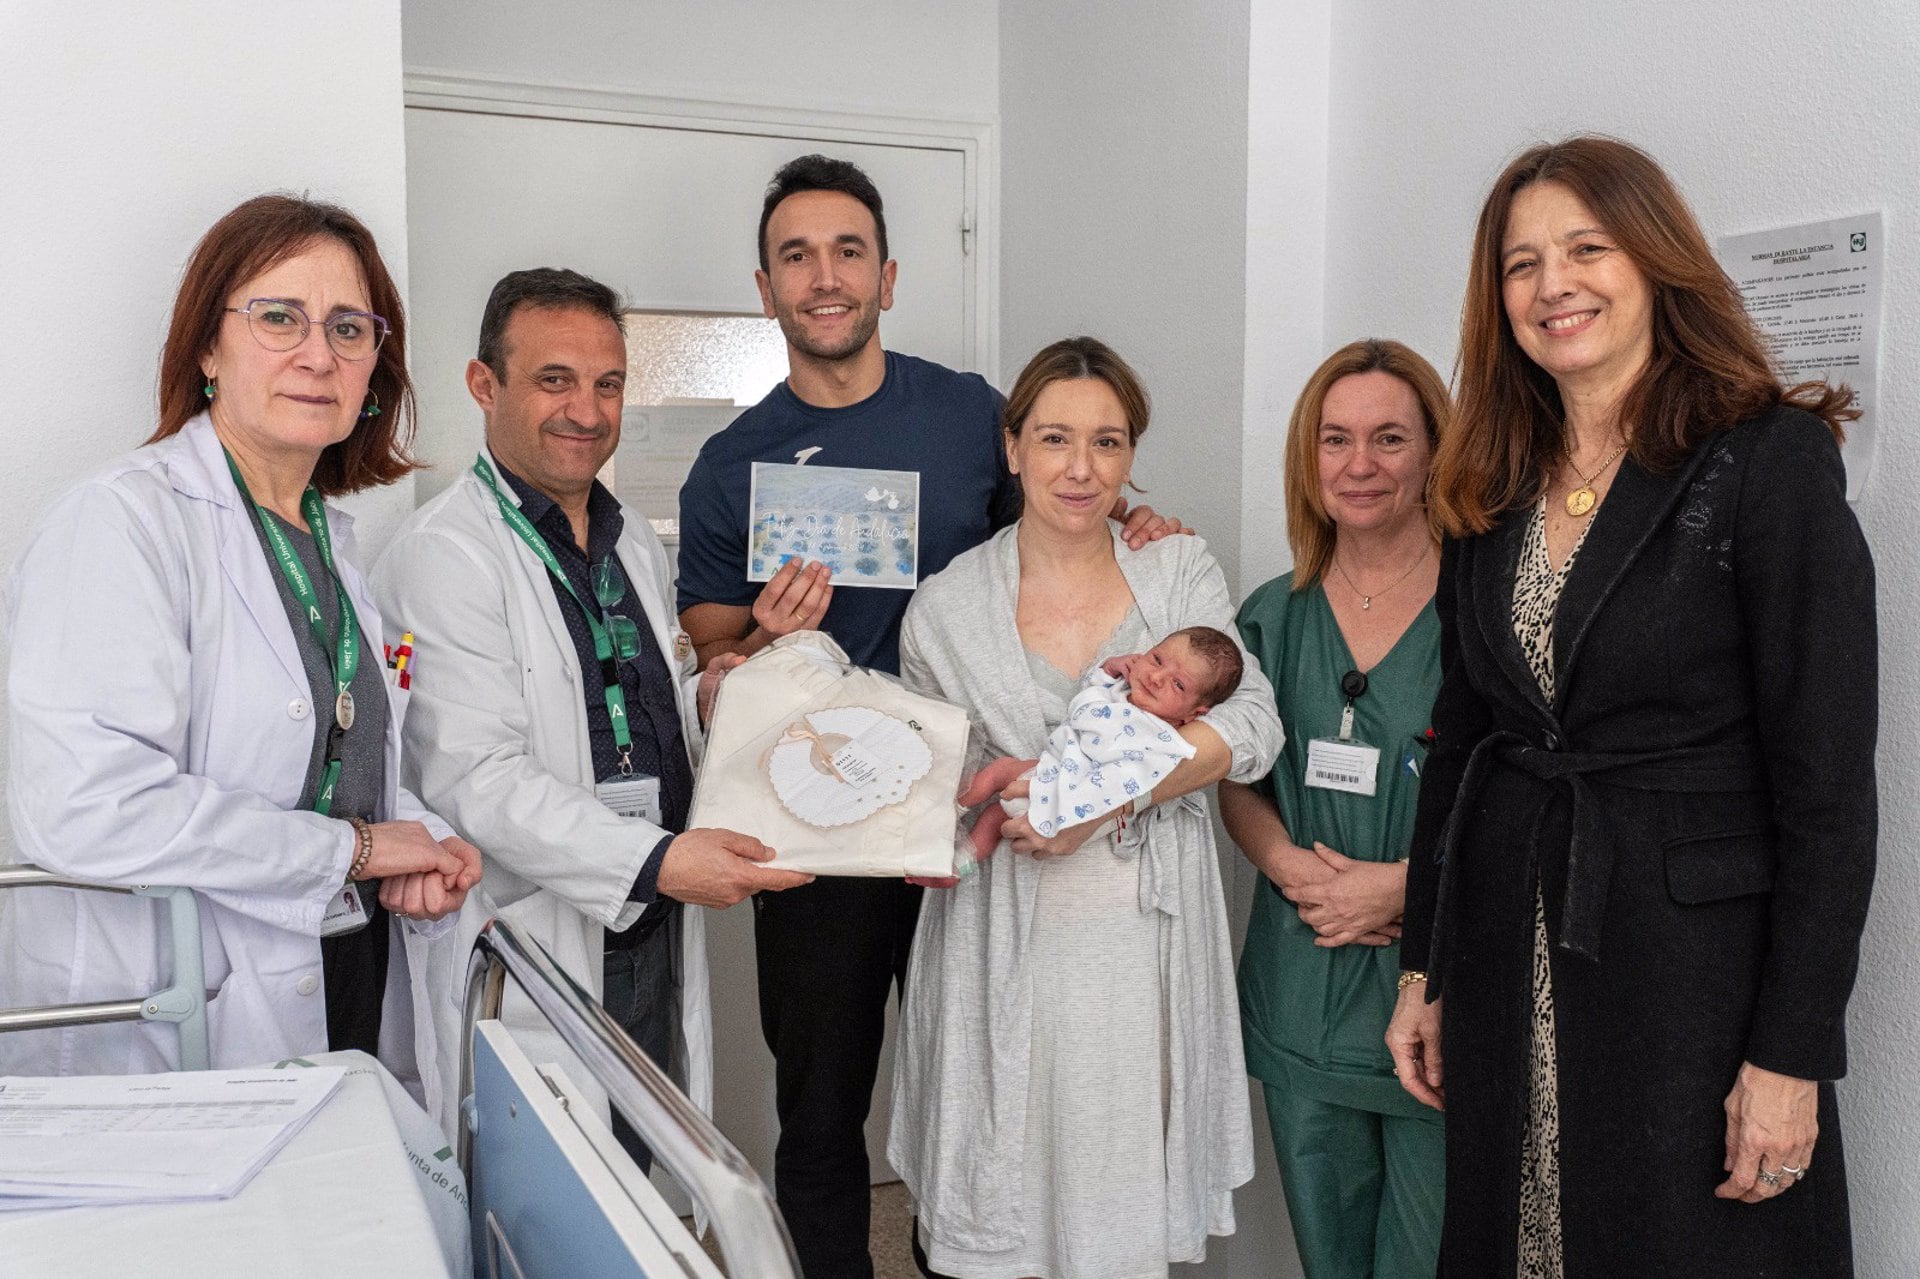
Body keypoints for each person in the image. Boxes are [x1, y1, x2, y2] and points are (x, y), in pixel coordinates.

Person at [676, 155, 1181, 1276]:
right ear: (764, 286)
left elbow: (1063, 519)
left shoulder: (968, 413)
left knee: (985, 1080)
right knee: (821, 1109)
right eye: (796, 255)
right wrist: (755, 640)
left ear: (889, 275)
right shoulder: (729, 465)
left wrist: (1141, 526)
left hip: (979, 814)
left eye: (847, 250)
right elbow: (711, 652)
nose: (824, 276)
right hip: (815, 830)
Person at [1385, 136, 1875, 1276]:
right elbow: (1461, 749)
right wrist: (1425, 969)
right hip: (1514, 950)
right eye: (1521, 263)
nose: (1553, 284)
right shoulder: (1488, 482)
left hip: (1693, 983)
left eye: (1587, 248)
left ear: (1656, 262)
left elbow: (1829, 795)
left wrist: (1791, 1056)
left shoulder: (1767, 461)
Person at [1, 194, 481, 1081]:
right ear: (208, 346)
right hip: (175, 1021)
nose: (317, 353)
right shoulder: (122, 523)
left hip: (340, 967)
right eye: (278, 317)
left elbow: (345, 762)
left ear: (376, 365)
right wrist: (357, 851)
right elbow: (84, 805)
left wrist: (421, 841)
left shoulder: (332, 542)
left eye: (349, 326)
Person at [370, 268, 811, 1150]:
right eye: (554, 380)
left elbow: (630, 712)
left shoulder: (629, 539)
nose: (587, 409)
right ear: (484, 384)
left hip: (647, 922)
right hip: (539, 926)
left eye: (608, 383)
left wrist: (719, 688)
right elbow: (474, 778)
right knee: (549, 1201)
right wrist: (657, 859)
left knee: (638, 1169)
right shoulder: (444, 556)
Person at [888, 336, 1283, 1279]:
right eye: (1056, 438)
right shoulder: (945, 608)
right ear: (1012, 445)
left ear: (1132, 457)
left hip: (1140, 959)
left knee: (1117, 1222)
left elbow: (1255, 724)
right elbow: (928, 789)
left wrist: (1091, 798)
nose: (1081, 467)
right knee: (1001, 1210)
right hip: (1001, 950)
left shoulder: (1176, 571)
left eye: (1108, 443)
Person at [1223, 339, 1451, 1278]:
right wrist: (1287, 867)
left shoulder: (1485, 609)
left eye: (1390, 438)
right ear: (1307, 458)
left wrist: (1406, 888)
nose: (1360, 465)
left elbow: (1530, 791)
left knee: (1432, 1254)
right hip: (1305, 980)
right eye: (1337, 439)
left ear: (1436, 450)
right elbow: (1234, 775)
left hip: (1436, 991)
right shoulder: (1274, 615)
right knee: (1332, 1260)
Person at [967, 625, 1244, 859]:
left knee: (999, 775)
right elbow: (1087, 699)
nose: (1156, 677)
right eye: (1157, 659)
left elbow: (1125, 784)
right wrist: (1108, 669)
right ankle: (959, 859)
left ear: (1194, 713)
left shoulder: (1160, 740)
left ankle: (947, 818)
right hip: (1052, 770)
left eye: (1178, 685)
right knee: (993, 814)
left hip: (1071, 800)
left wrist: (1068, 808)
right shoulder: (1121, 690)